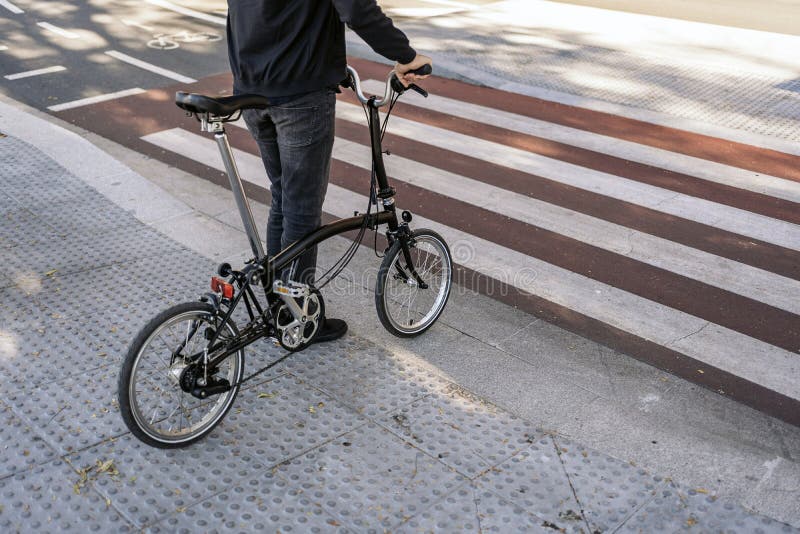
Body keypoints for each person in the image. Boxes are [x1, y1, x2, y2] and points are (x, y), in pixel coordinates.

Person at [226, 0, 431, 343]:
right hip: (299, 95)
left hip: (250, 89)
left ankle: (279, 308)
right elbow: (357, 9)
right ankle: (299, 319)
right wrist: (406, 56)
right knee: (302, 208)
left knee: (283, 196)